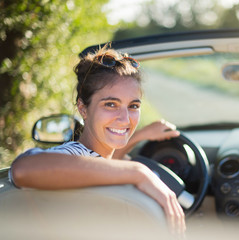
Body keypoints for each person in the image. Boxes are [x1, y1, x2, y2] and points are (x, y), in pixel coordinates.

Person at [9, 45, 185, 235]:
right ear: (83, 108)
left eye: (133, 106)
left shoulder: (98, 161)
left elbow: (106, 163)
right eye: (111, 104)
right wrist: (139, 171)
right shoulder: (74, 152)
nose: (125, 119)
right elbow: (23, 168)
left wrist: (140, 135)